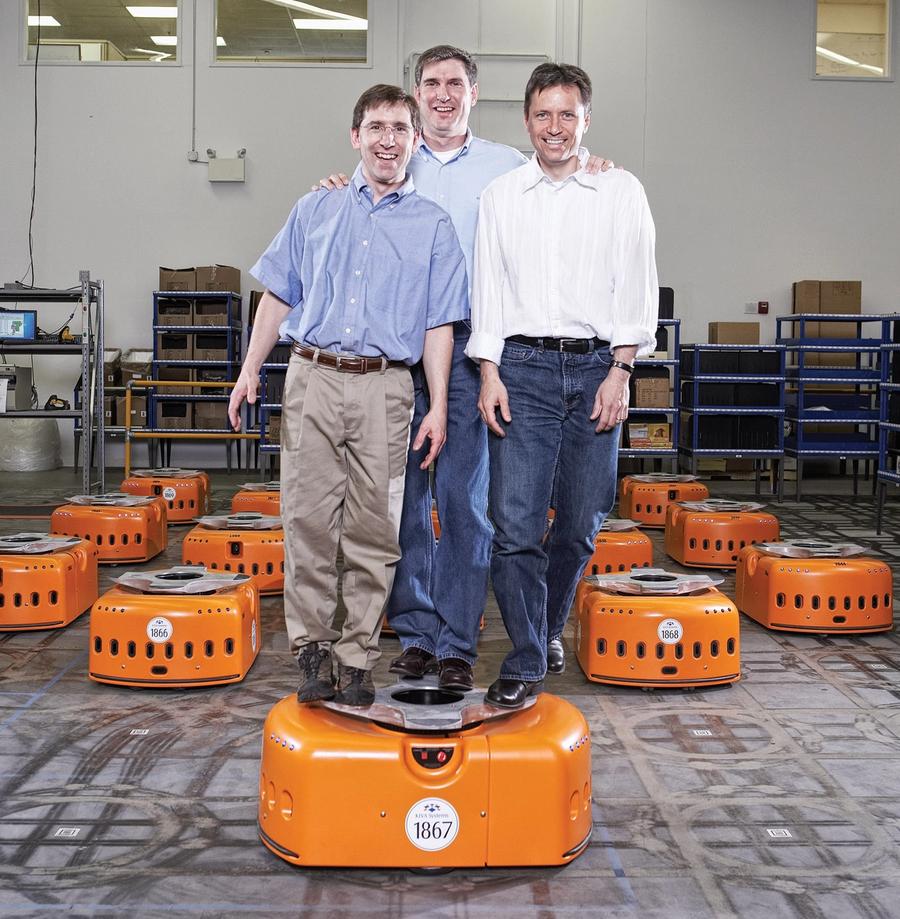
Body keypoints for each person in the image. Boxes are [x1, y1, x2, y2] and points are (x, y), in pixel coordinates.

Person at [316, 46, 614, 692]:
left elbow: (565, 178)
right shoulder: (393, 156)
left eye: (455, 83)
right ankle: (416, 633)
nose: (443, 94)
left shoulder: (507, 168)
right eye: (431, 83)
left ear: (474, 94)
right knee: (403, 506)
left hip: (471, 355)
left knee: (465, 504)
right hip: (399, 358)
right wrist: (335, 184)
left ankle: (457, 639)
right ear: (416, 93)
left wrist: (598, 167)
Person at [228, 84, 467, 707]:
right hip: (312, 377)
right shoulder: (316, 208)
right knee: (307, 521)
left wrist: (439, 405)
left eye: (400, 129)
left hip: (387, 387)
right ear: (355, 136)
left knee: (374, 529)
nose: (388, 140)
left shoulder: (434, 227)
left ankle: (357, 656)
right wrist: (250, 369)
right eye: (377, 127)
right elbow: (278, 294)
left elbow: (439, 325)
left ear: (416, 141)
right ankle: (312, 650)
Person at [466, 62, 659, 709]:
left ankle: (546, 626)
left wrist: (622, 371)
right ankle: (526, 656)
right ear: (527, 121)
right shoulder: (501, 197)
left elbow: (637, 285)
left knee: (579, 523)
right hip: (521, 369)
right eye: (543, 114)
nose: (555, 126)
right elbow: (488, 289)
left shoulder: (620, 190)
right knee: (515, 525)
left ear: (586, 120)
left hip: (598, 367)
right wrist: (489, 371)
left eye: (567, 114)